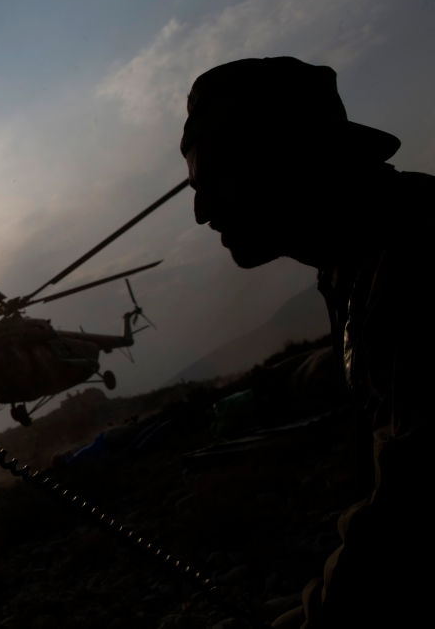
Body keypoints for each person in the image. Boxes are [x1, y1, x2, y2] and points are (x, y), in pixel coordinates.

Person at [180, 56, 435, 627]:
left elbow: (411, 516)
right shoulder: (355, 263)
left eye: (215, 179)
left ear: (284, 158)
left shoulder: (413, 263)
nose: (200, 212)